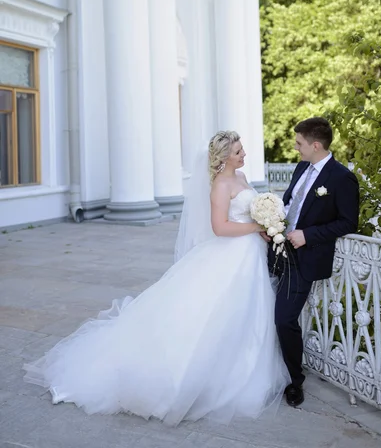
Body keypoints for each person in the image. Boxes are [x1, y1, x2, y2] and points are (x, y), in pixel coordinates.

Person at [24, 131, 289, 426]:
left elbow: (246, 213)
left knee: (246, 314)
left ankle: (245, 370)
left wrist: (265, 225)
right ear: (225, 156)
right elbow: (220, 227)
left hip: (249, 256)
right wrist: (254, 227)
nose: (244, 154)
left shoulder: (241, 178)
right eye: (238, 151)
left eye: (242, 150)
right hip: (230, 255)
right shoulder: (221, 185)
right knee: (218, 314)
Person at [268, 117, 359, 408]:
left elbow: (348, 221)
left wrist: (308, 235)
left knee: (283, 318)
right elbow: (289, 204)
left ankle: (296, 380)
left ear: (315, 145)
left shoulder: (341, 177)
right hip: (277, 249)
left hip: (305, 258)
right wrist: (270, 219)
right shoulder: (300, 168)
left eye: (299, 144)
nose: (296, 148)